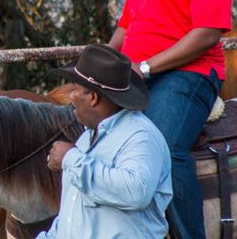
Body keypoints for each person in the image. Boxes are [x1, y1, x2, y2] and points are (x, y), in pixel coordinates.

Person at [109, 0, 233, 238]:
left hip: (189, 73)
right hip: (139, 72)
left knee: (163, 146)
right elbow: (125, 27)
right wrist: (98, 68)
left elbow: (207, 33)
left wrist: (146, 67)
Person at [37, 43, 173, 239]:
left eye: (74, 89)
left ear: (92, 98)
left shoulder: (140, 136)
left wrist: (70, 158)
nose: (71, 96)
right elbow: (72, 216)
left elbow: (135, 191)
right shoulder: (85, 139)